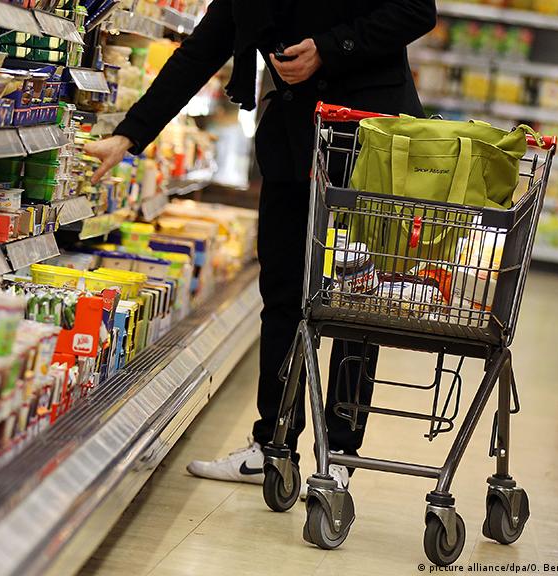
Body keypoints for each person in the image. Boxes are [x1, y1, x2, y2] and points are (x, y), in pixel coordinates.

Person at [85, 0, 437, 490]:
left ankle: (340, 455)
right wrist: (127, 136)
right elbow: (200, 52)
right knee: (282, 294)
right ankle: (273, 445)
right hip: (294, 142)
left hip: (368, 144)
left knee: (357, 303)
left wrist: (328, 50)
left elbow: (417, 10)